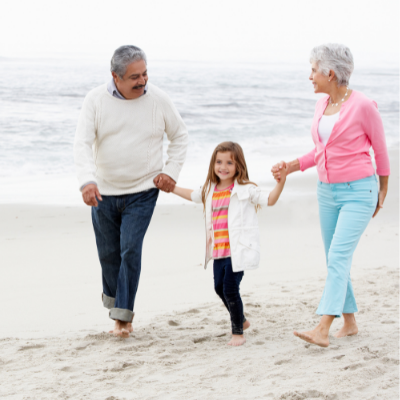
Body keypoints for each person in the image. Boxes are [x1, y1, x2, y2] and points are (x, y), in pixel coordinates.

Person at [272, 43, 390, 347]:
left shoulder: (363, 105)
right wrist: (291, 166)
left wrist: (383, 188)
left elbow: (379, 148)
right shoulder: (321, 105)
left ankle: (323, 327)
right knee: (334, 258)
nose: (310, 76)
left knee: (338, 256)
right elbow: (321, 151)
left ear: (330, 73)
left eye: (314, 70)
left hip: (359, 192)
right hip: (327, 193)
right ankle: (349, 323)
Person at [74, 45, 188, 338]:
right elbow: (82, 143)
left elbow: (179, 136)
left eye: (145, 73)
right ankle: (115, 303)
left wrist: (170, 174)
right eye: (135, 76)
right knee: (109, 253)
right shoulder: (95, 100)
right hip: (104, 191)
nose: (142, 81)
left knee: (130, 249)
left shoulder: (158, 100)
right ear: (116, 77)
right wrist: (87, 180)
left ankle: (123, 318)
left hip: (144, 189)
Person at [172, 141, 287, 346]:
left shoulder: (245, 190)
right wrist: (171, 187)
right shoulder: (210, 189)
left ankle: (238, 332)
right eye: (218, 162)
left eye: (229, 163)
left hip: (238, 251)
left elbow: (269, 199)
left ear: (238, 166)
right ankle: (242, 319)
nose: (223, 167)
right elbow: (193, 195)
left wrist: (281, 182)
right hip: (219, 251)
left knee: (230, 289)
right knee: (218, 288)